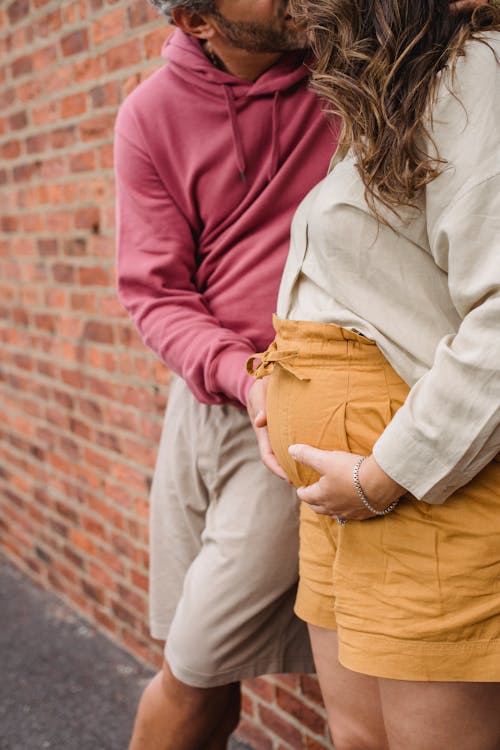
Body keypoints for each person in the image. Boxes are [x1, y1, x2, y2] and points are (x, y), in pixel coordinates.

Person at [249, 0, 500, 748]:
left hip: (417, 493)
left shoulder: (475, 73)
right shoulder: (387, 98)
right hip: (344, 498)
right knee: (359, 739)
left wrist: (385, 475)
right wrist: (278, 387)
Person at [114, 2, 339, 748]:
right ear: (198, 20)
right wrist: (234, 374)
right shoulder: (149, 116)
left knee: (192, 664)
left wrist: (263, 385)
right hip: (206, 400)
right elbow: (155, 291)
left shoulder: (345, 74)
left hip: (290, 407)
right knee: (206, 679)